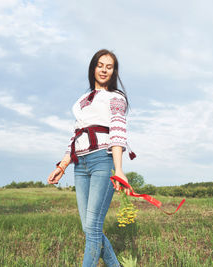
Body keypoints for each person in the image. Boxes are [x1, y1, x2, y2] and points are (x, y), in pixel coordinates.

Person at [47, 49, 133, 267]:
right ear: (93, 67)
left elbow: (118, 133)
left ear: (114, 71)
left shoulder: (116, 97)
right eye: (100, 65)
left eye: (109, 66)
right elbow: (76, 135)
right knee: (88, 228)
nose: (104, 70)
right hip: (80, 165)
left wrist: (119, 169)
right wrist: (63, 165)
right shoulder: (82, 101)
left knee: (93, 226)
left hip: (101, 162)